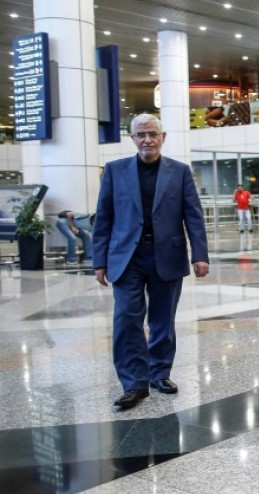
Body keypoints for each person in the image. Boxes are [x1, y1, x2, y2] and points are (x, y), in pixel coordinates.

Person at [93, 114, 210, 410]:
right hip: (126, 258)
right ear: (132, 138)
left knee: (162, 320)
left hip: (167, 255)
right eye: (141, 134)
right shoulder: (114, 170)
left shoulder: (179, 172)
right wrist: (99, 261)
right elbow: (103, 217)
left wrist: (200, 255)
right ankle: (134, 383)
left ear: (163, 137)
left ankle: (159, 373)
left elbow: (193, 215)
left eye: (153, 134)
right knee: (126, 319)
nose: (147, 140)